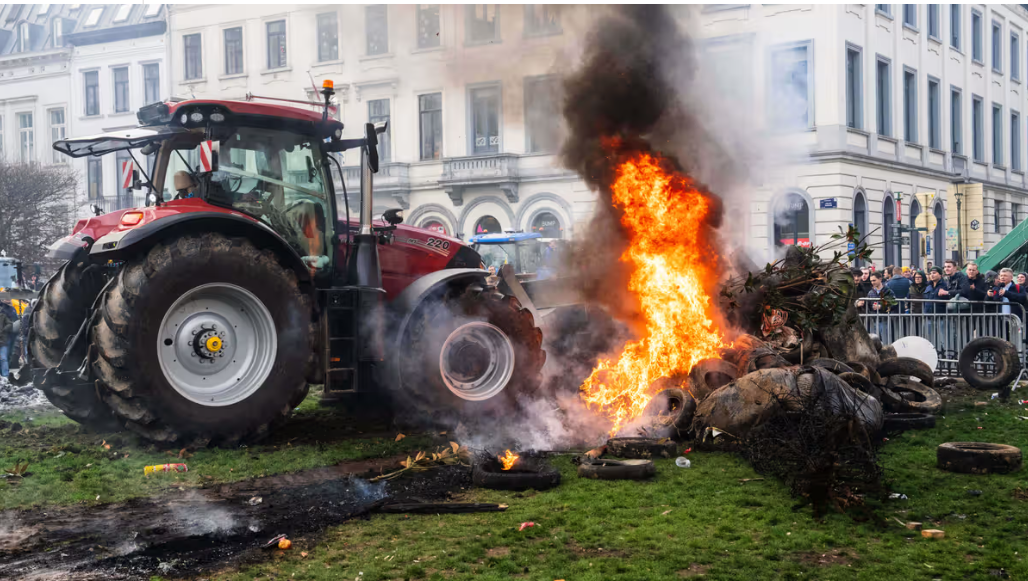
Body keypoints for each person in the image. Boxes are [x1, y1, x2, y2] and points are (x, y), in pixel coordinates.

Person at [0, 298, 15, 380]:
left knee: (3, 358)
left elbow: (10, 324)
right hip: (3, 340)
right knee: (4, 358)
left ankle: (5, 375)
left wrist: (3, 330)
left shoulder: (3, 316)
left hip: (2, 341)